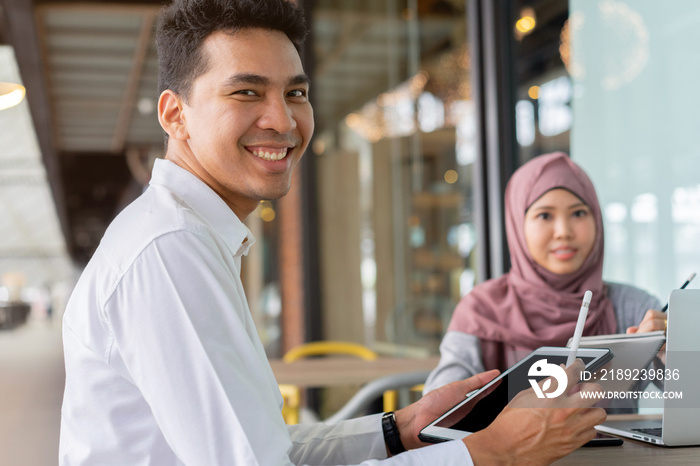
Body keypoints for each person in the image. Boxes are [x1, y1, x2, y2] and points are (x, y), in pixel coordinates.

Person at [58, 2, 605, 464]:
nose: (283, 119)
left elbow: (266, 448)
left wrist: (403, 428)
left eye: (295, 93)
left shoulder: (191, 237)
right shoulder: (170, 251)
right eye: (247, 93)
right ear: (175, 115)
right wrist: (490, 452)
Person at [424, 152, 666, 401]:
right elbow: (438, 411)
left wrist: (673, 357)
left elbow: (692, 399)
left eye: (579, 213)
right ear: (518, 225)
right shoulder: (481, 310)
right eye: (545, 215)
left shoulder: (635, 308)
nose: (563, 232)